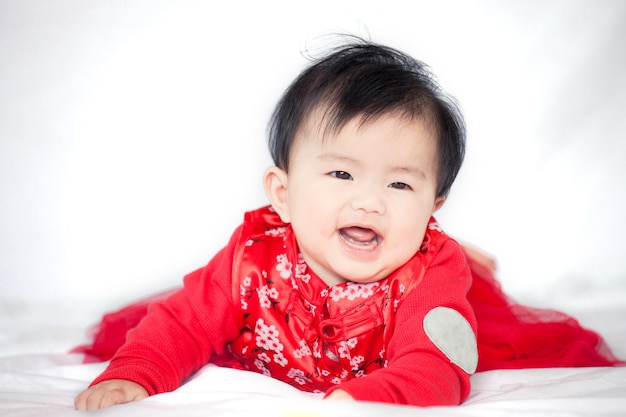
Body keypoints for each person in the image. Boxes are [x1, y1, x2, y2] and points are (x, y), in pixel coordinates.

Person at [73, 38, 622, 411]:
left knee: (458, 330)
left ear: (435, 205)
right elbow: (184, 322)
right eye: (341, 173)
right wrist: (135, 374)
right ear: (283, 195)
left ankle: (470, 258)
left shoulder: (426, 271)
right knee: (179, 318)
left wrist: (365, 400)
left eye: (400, 184)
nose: (370, 203)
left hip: (415, 309)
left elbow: (437, 370)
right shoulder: (253, 256)